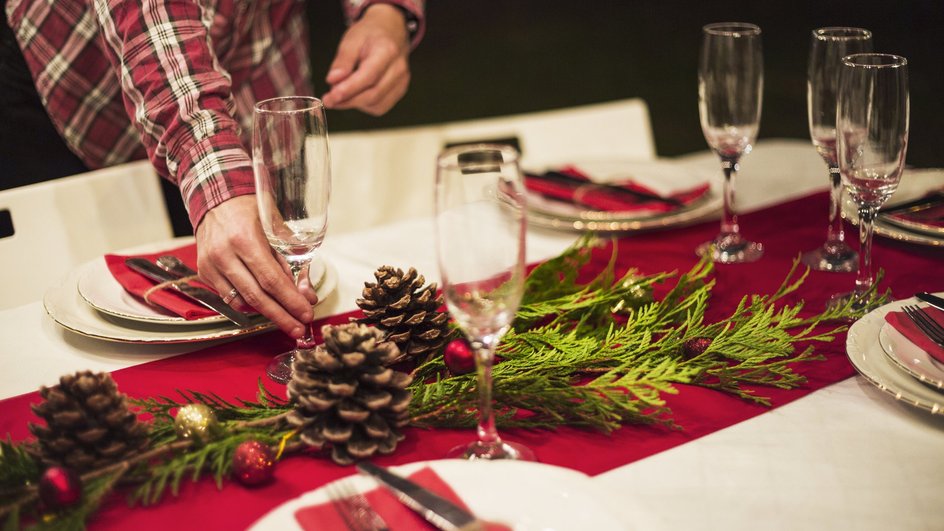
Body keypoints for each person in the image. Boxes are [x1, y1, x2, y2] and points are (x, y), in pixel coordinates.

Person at [1, 0, 424, 339]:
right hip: (77, 77)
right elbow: (152, 17)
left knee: (248, 279)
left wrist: (386, 10)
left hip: (254, 53)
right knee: (66, 311)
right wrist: (213, 175)